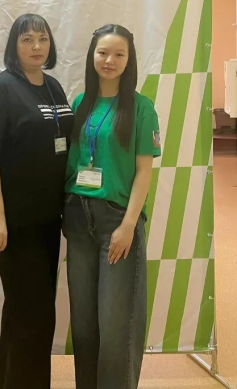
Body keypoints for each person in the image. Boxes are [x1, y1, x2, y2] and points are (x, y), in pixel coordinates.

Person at [0, 13, 74, 388]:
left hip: (48, 221)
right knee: (30, 314)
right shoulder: (1, 89)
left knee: (32, 314)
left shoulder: (54, 87)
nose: (36, 47)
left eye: (42, 39)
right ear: (14, 45)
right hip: (15, 224)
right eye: (27, 39)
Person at [63, 24, 161, 389]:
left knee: (116, 325)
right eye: (103, 52)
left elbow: (144, 172)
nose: (110, 60)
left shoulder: (141, 107)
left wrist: (129, 225)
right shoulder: (80, 104)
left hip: (117, 222)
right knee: (84, 325)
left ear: (129, 59)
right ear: (92, 56)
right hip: (78, 218)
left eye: (119, 54)